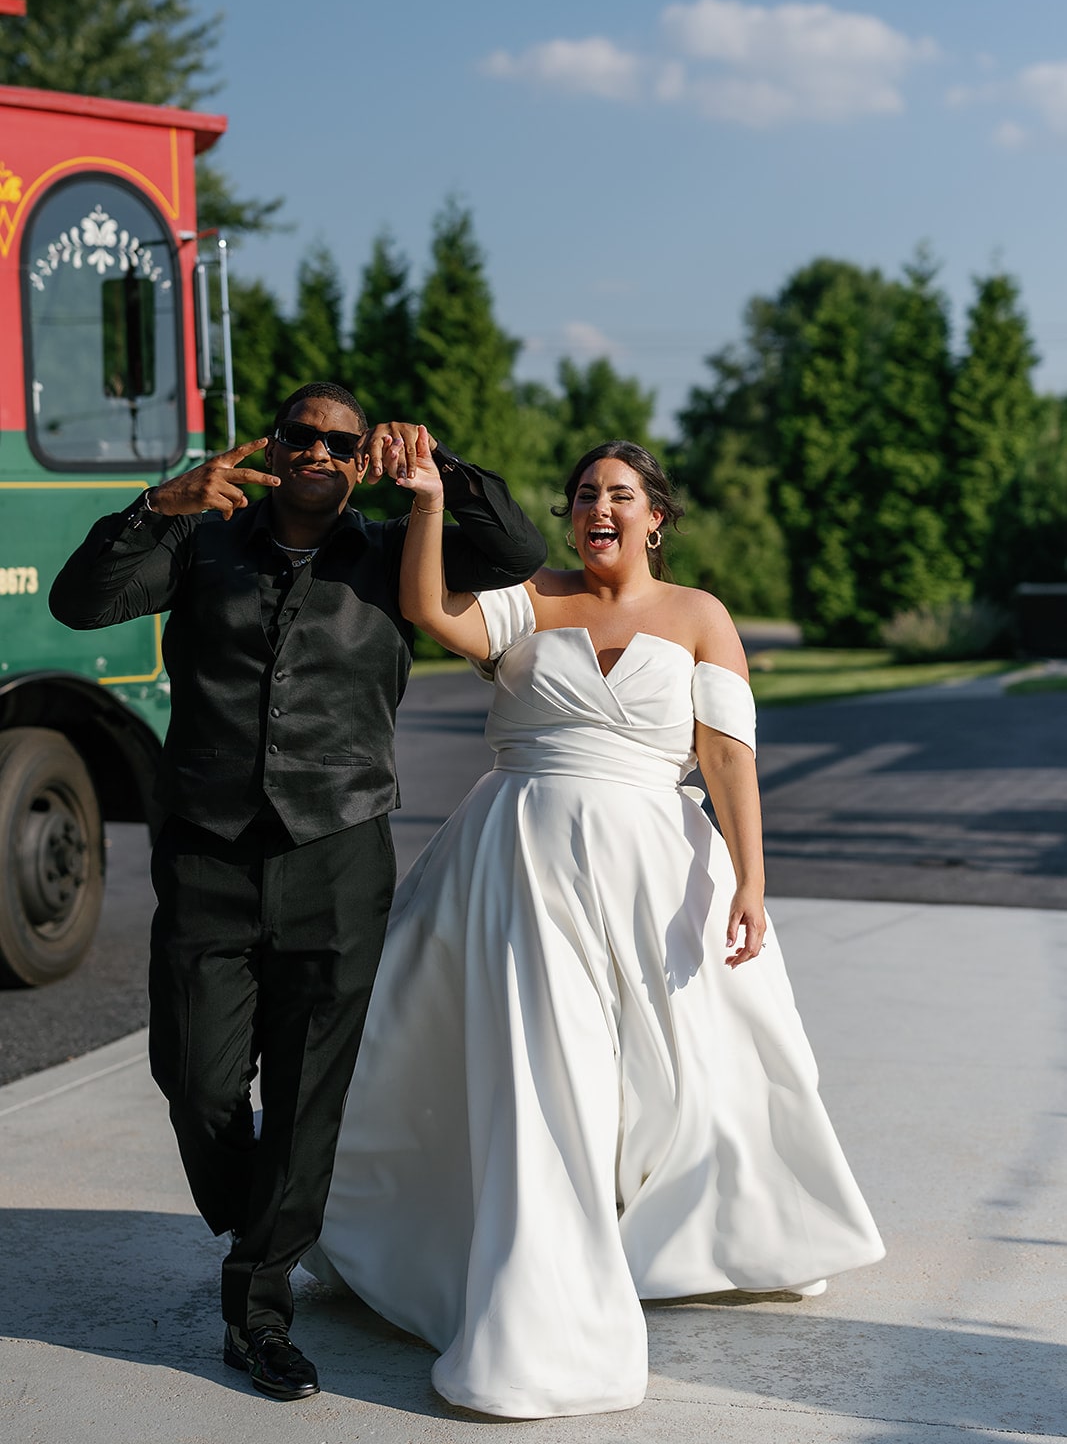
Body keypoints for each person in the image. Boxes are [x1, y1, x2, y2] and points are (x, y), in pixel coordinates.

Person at [307, 432, 885, 1418]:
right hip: (518, 864)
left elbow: (727, 759)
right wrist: (427, 501)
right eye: (582, 494)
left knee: (692, 1070)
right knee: (541, 1070)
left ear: (654, 516)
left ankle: (690, 1226)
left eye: (618, 493)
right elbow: (425, 610)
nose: (596, 508)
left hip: (655, 870)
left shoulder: (700, 616)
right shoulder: (532, 597)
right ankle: (535, 1296)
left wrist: (750, 882)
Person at [48, 384, 546, 1402]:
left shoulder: (392, 552)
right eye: (299, 434)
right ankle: (264, 1215)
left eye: (338, 440)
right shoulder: (203, 540)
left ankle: (258, 1304)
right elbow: (80, 601)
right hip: (208, 853)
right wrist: (159, 505)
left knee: (311, 1090)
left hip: (337, 851)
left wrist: (436, 475)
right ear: (274, 444)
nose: (316, 450)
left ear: (360, 457)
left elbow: (519, 552)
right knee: (194, 1076)